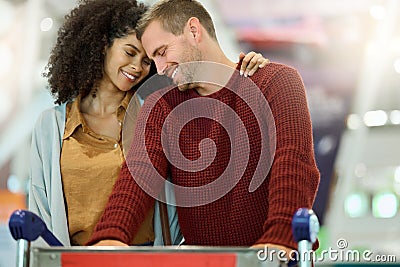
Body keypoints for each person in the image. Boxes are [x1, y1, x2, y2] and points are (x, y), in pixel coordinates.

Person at [28, 0, 270, 247]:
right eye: (130, 52)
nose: (137, 67)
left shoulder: (161, 115)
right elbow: (40, 208)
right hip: (75, 258)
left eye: (148, 60)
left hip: (148, 256)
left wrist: (248, 68)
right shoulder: (52, 126)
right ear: (102, 46)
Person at [87, 0, 320, 255]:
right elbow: (139, 174)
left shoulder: (276, 81)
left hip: (272, 255)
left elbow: (293, 161)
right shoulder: (161, 107)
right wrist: (111, 235)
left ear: (194, 31)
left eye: (162, 51)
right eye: (154, 59)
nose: (161, 69)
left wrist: (280, 239)